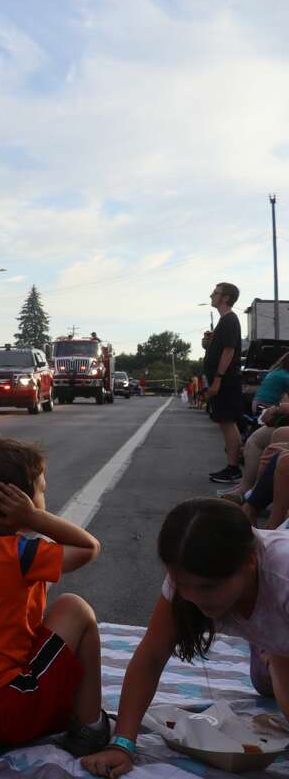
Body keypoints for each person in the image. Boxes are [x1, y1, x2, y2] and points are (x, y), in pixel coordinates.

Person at [81, 499, 289, 778]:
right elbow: (151, 657)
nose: (193, 597)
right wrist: (122, 744)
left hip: (278, 635)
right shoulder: (188, 580)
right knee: (265, 683)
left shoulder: (283, 578)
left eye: (208, 587)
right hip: (275, 638)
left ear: (250, 562)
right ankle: (270, 654)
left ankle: (272, 655)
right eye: (182, 585)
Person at [0, 433, 108, 761]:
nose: (45, 496)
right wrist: (35, 519)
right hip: (9, 700)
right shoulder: (21, 552)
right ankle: (89, 727)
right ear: (19, 502)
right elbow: (90, 548)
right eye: (42, 491)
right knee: (75, 609)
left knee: (39, 640)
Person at [205, 283, 245, 483]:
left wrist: (218, 379)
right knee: (226, 422)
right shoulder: (224, 321)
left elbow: (229, 351)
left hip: (226, 380)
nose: (212, 295)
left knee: (227, 422)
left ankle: (233, 468)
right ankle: (234, 465)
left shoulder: (229, 319)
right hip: (224, 380)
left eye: (216, 293)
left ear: (226, 298)